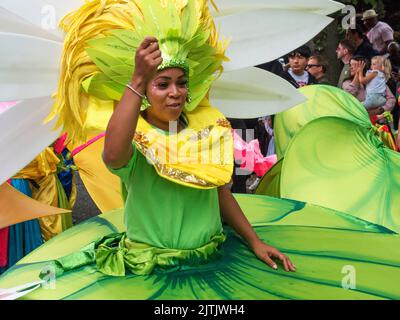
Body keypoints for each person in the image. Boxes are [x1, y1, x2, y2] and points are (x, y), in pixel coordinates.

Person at [101, 36, 295, 274]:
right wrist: (138, 79)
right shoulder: (136, 139)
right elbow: (112, 155)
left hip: (211, 259)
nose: (175, 92)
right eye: (162, 85)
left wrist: (254, 241)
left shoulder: (205, 131)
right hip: (152, 268)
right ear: (144, 92)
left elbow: (219, 193)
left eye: (181, 83)